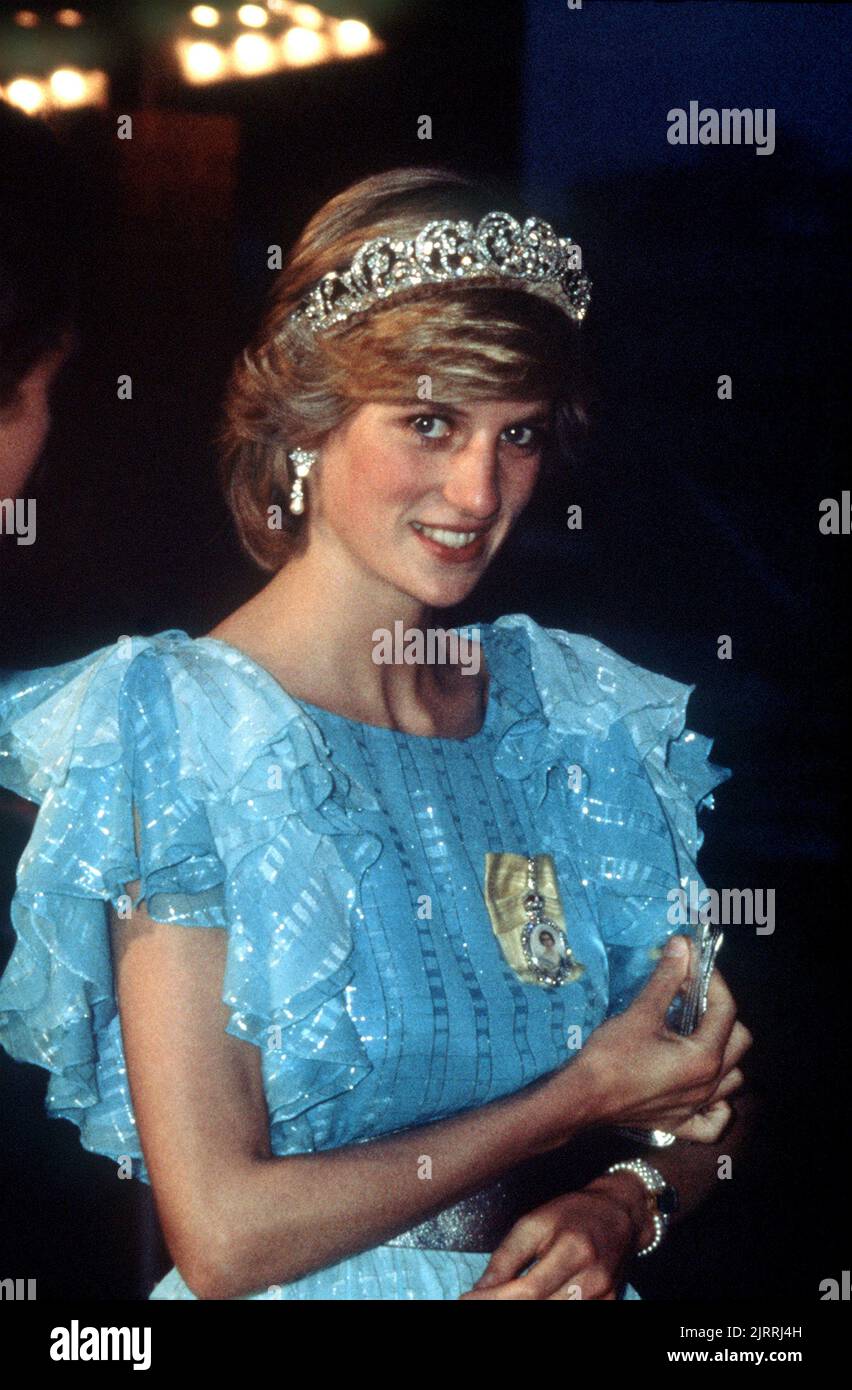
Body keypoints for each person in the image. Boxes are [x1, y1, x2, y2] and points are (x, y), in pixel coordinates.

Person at [0, 166, 753, 1301]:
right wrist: (578, 1101)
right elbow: (223, 1233)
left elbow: (706, 1094)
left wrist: (622, 1203)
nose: (477, 488)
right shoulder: (177, 725)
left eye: (521, 435)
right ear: (307, 426)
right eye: (430, 423)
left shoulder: (571, 711)